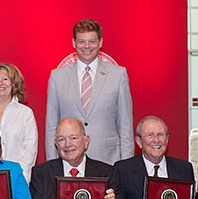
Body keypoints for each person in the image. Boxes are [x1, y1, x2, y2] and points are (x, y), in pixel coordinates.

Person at [44, 19, 133, 165]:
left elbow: (125, 127)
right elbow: (51, 127)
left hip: (109, 160)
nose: (87, 46)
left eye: (92, 41)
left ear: (100, 42)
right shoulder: (57, 77)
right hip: (69, 161)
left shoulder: (118, 75)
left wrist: (127, 166)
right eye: (82, 41)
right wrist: (52, 165)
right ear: (74, 43)